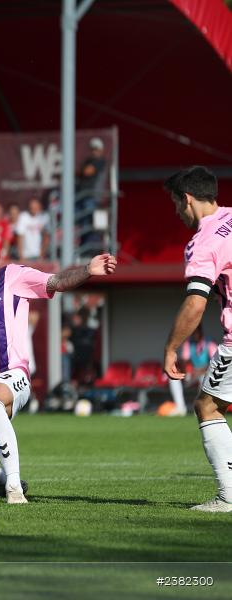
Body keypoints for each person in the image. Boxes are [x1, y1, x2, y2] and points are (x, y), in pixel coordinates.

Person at [0, 230, 116, 503]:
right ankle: (5, 482)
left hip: (11, 375)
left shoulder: (13, 276)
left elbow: (56, 282)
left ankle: (14, 490)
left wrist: (88, 269)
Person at [162, 166, 232, 512]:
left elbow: (195, 303)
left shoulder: (204, 241)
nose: (176, 212)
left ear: (187, 199)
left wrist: (172, 348)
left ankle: (227, 497)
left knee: (207, 406)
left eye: (176, 204)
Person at [168, 325, 218, 417]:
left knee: (203, 378)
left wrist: (200, 371)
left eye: (196, 332)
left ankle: (200, 408)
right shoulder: (188, 343)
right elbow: (184, 360)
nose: (194, 335)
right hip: (192, 374)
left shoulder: (209, 342)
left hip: (206, 374)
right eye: (192, 333)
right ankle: (180, 408)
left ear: (200, 332)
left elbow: (215, 363)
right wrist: (185, 372)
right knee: (173, 378)